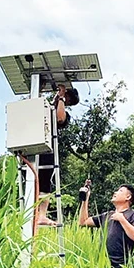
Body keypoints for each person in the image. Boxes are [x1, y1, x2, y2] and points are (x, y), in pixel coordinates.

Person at [78, 180, 134, 268]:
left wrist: (122, 219)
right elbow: (83, 222)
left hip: (122, 267)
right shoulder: (107, 215)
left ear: (128, 197)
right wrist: (85, 199)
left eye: (120, 191)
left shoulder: (133, 215)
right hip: (103, 266)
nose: (115, 193)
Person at [36, 84, 79, 226]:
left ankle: (42, 215)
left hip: (47, 149)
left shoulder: (63, 115)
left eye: (67, 99)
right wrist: (41, 88)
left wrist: (61, 98)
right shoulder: (46, 107)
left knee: (44, 184)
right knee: (30, 182)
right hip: (31, 146)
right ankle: (32, 214)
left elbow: (59, 118)